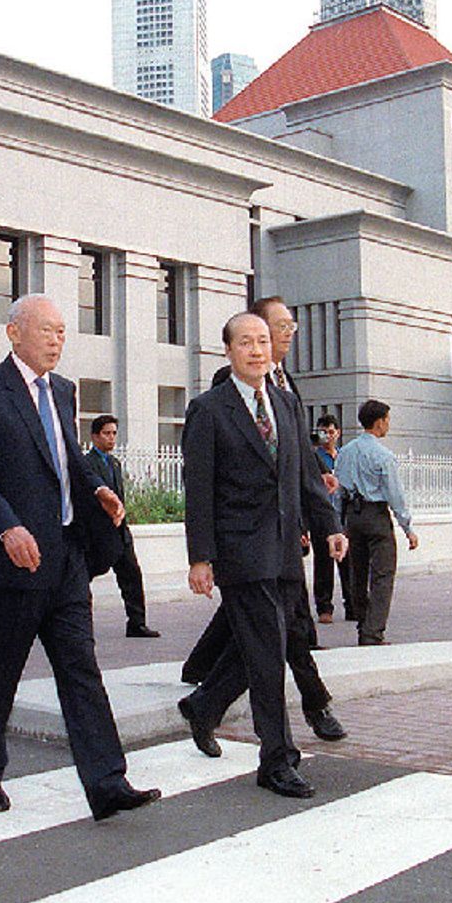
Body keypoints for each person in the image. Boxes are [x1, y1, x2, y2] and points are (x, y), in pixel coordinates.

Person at [0, 293, 159, 820]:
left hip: (66, 557)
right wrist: (7, 527)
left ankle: (108, 781)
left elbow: (66, 458)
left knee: (81, 669)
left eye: (63, 332)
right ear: (14, 332)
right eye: (46, 330)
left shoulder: (63, 392)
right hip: (13, 560)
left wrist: (96, 490)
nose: (56, 340)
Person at [176, 312, 346, 800]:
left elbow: (306, 478)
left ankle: (205, 706)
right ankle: (277, 759)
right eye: (246, 342)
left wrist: (328, 526)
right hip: (241, 550)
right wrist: (201, 558)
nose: (257, 349)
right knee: (269, 653)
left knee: (268, 639)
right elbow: (199, 490)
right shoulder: (209, 409)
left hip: (286, 547)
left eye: (263, 341)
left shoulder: (288, 405)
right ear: (227, 351)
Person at [336, 400, 419, 645]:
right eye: (387, 420)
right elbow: (395, 496)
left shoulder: (346, 452)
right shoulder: (384, 456)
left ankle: (362, 622)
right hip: (375, 515)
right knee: (382, 574)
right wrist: (408, 528)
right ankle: (373, 631)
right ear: (380, 421)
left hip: (353, 514)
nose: (388, 425)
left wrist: (339, 523)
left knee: (357, 572)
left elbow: (338, 490)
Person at [82, 415, 158, 638]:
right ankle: (80, 625)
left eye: (114, 433)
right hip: (99, 534)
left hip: (120, 532)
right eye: (106, 433)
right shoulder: (88, 464)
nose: (111, 438)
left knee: (132, 575)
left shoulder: (114, 463)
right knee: (82, 578)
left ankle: (137, 623)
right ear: (95, 436)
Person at [310, 413, 353, 624]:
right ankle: (324, 607)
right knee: (324, 563)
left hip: (343, 515)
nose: (328, 436)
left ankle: (352, 604)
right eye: (323, 432)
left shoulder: (344, 456)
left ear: (338, 433)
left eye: (331, 431)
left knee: (348, 563)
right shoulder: (313, 458)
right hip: (322, 517)